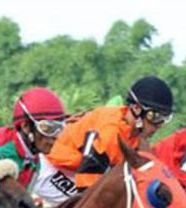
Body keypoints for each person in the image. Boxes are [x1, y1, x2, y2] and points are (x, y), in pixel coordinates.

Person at [44, 76, 174, 194]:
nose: (159, 124)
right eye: (155, 116)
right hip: (56, 170)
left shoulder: (135, 134)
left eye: (165, 118)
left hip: (78, 171)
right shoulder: (110, 131)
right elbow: (87, 185)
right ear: (136, 109)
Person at [0, 87, 67, 189]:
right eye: (47, 128)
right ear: (25, 126)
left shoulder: (35, 160)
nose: (56, 136)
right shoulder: (0, 153)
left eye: (60, 128)